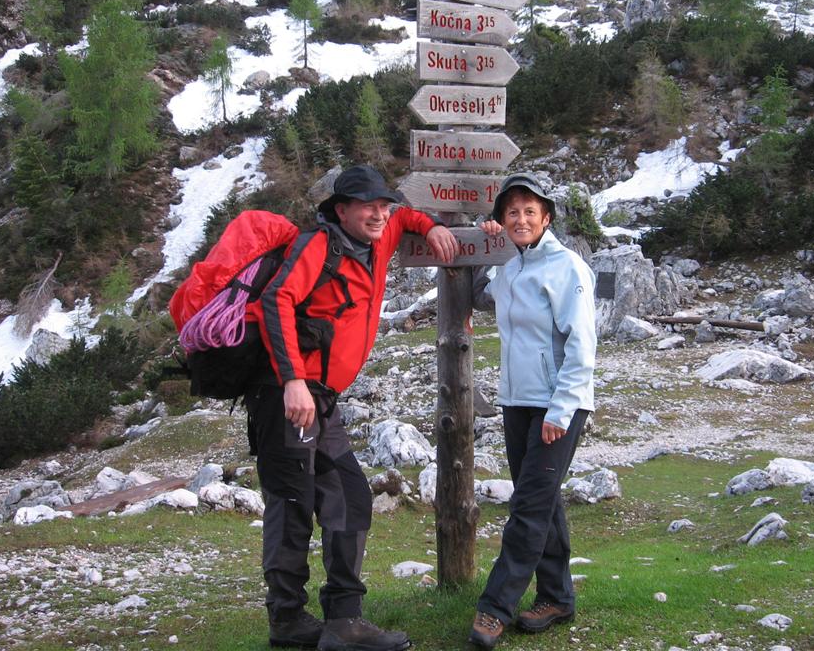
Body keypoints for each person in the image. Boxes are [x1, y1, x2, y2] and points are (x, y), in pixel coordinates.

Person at [247, 165, 458, 651]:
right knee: (293, 504)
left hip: (323, 400)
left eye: (383, 205)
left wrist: (433, 227)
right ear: (341, 210)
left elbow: (407, 217)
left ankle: (344, 620)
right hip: (289, 397)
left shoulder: (380, 236)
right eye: (368, 206)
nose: (379, 214)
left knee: (349, 496)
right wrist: (292, 381)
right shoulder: (318, 245)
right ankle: (287, 619)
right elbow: (277, 300)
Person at [468, 172, 597, 649]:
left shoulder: (567, 268)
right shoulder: (510, 267)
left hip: (557, 404)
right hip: (517, 401)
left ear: (546, 218)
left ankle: (495, 607)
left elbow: (582, 346)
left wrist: (560, 411)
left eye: (529, 211)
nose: (520, 219)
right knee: (542, 499)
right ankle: (557, 597)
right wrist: (486, 249)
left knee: (527, 506)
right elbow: (482, 296)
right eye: (511, 212)